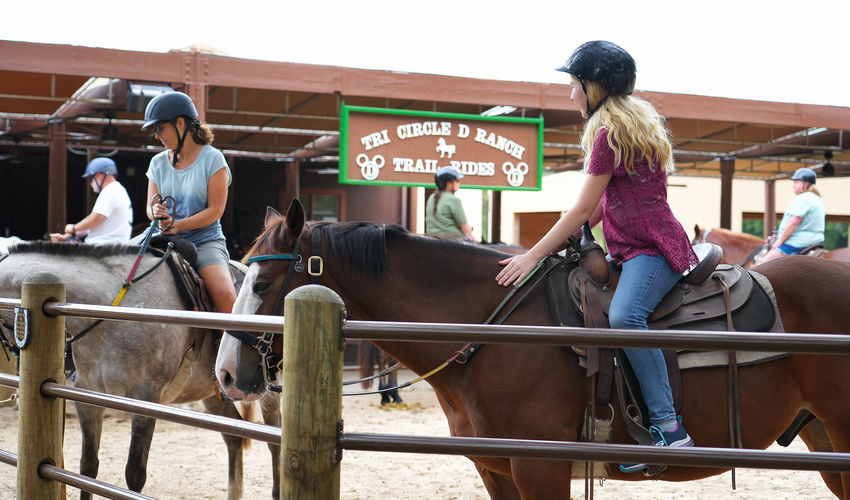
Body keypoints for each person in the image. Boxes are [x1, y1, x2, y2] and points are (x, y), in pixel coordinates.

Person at [495, 40, 698, 472]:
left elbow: (583, 207)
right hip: (638, 245)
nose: (570, 94)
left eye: (574, 84)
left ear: (595, 88)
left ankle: (669, 428)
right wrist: (581, 236)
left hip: (651, 250)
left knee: (626, 317)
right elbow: (604, 205)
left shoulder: (608, 135)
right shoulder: (632, 128)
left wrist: (532, 255)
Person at [141, 91, 237, 314]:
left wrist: (178, 225)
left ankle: (234, 346)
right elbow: (149, 208)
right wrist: (155, 212)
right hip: (160, 238)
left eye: (159, 128)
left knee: (224, 293)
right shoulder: (156, 162)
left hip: (204, 241)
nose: (156, 136)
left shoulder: (214, 159)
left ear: (180, 123)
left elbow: (215, 211)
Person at [50, 157, 133, 244]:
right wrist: (69, 236)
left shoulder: (110, 191)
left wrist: (73, 228)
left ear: (100, 176)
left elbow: (93, 220)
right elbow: (95, 225)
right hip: (111, 245)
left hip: (103, 247)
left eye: (91, 178)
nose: (90, 183)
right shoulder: (117, 190)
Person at [760, 167, 825, 263]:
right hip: (815, 240)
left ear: (805, 184)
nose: (793, 185)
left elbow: (793, 222)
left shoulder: (803, 198)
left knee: (762, 266)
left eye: (797, 182)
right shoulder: (815, 197)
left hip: (798, 242)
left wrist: (779, 241)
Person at [425, 166, 474, 242]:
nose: (459, 183)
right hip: (453, 244)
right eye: (457, 181)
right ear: (448, 183)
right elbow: (465, 228)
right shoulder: (453, 200)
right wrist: (474, 241)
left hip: (432, 242)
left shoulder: (431, 198)